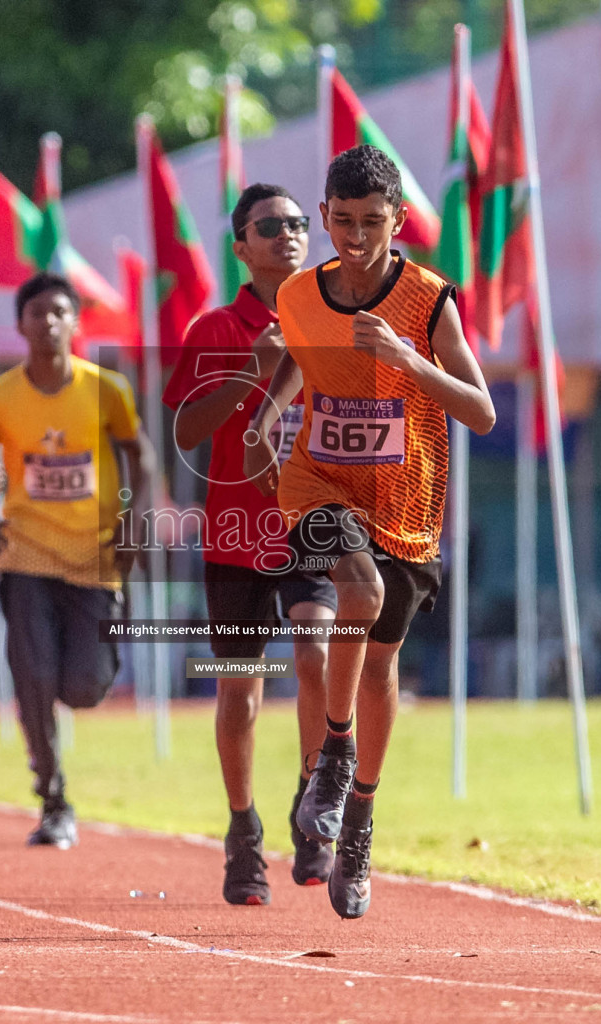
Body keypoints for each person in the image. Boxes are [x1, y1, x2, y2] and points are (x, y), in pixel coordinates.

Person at [243, 146, 495, 918]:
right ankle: (336, 755)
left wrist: (407, 358)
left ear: (398, 221)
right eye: (343, 222)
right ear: (323, 217)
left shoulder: (428, 300)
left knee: (381, 662)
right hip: (319, 483)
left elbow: (480, 411)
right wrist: (268, 412)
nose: (355, 237)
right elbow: (301, 363)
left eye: (372, 223)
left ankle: (358, 821)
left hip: (407, 500)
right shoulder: (296, 292)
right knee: (358, 587)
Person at [163, 183, 337, 905]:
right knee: (240, 688)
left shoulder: (330, 315)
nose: (288, 234)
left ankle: (310, 794)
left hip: (314, 525)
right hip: (236, 534)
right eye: (271, 226)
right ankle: (242, 829)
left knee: (319, 646)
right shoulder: (215, 329)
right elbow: (186, 433)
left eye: (299, 223)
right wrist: (252, 371)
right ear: (241, 246)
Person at [0, 272, 153, 850]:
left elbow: (141, 458)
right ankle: (54, 799)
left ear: (74, 322)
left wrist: (134, 520)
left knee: (84, 687)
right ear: (21, 324)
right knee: (34, 676)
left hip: (95, 558)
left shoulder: (107, 389)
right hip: (25, 556)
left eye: (58, 312)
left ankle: (88, 673)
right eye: (36, 313)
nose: (47, 322)